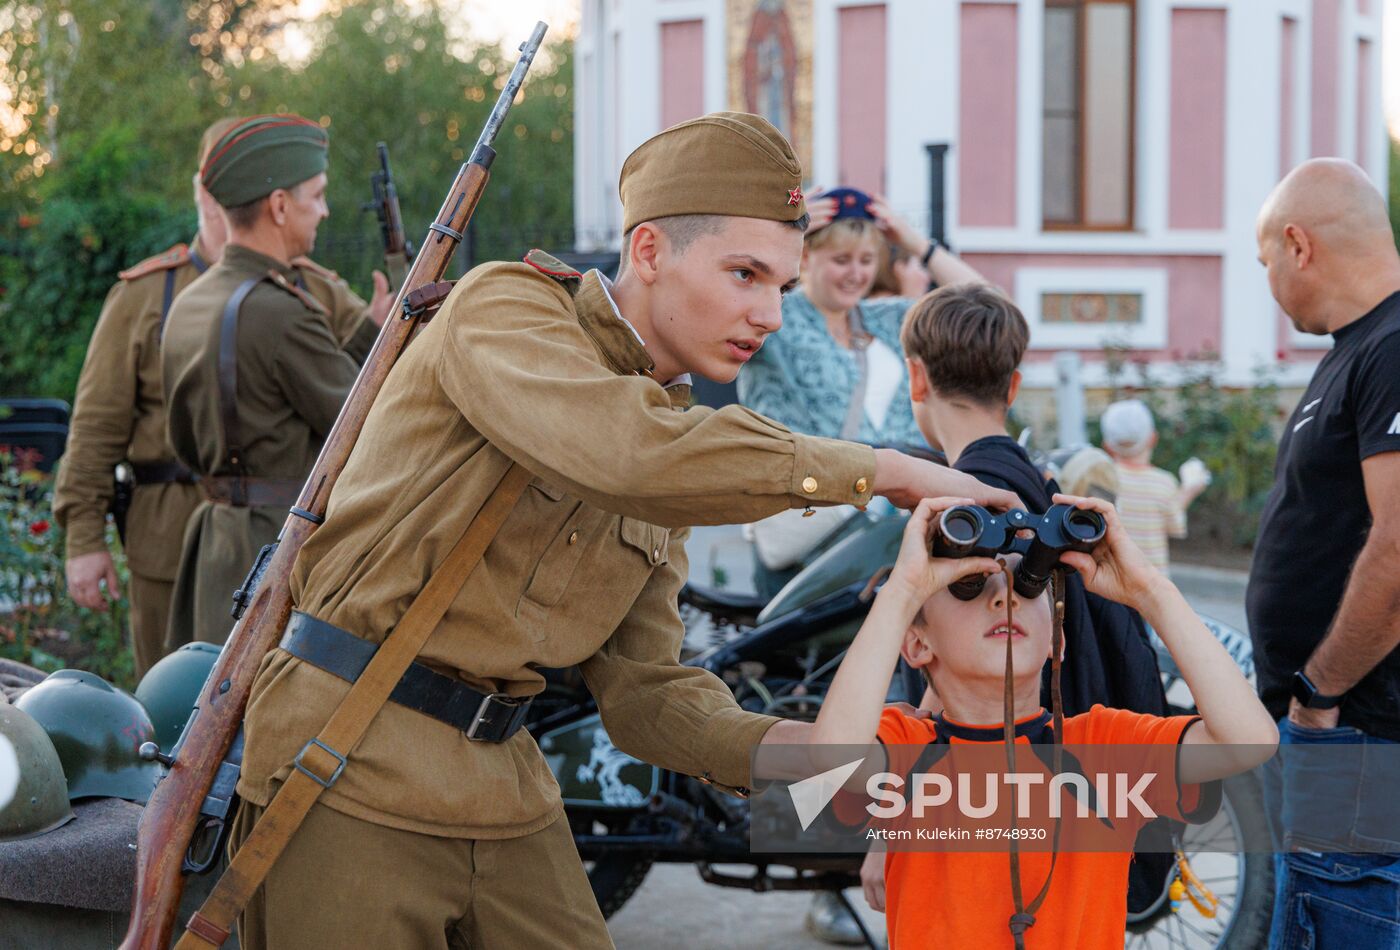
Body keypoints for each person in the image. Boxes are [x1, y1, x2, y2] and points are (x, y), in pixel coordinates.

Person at [220, 112, 1019, 949]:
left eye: (783, 288)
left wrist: (824, 760)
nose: (771, 316)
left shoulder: (671, 439)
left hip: (503, 783)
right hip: (346, 759)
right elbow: (627, 452)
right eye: (744, 274)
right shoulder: (505, 310)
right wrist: (885, 471)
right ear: (648, 250)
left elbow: (648, 695)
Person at [786, 493, 1277, 949]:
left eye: (1029, 583)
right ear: (917, 644)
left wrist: (1151, 591)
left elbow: (1248, 740)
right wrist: (903, 591)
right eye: (968, 586)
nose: (1006, 598)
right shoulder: (907, 748)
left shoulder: (1104, 748)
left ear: (1056, 640)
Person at [851, 285, 1175, 919]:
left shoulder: (964, 511)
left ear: (917, 379)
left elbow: (958, 666)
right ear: (1015, 386)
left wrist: (886, 828)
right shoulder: (1042, 485)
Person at [52, 117, 388, 676]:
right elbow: (95, 427)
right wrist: (83, 537)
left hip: (255, 536)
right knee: (175, 695)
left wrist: (375, 330)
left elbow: (342, 381)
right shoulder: (148, 294)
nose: (324, 210)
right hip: (172, 543)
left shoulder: (307, 285)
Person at [161, 115, 390, 647]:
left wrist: (369, 333)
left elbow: (214, 423)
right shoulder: (280, 311)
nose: (325, 210)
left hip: (215, 545)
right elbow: (364, 424)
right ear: (280, 205)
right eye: (318, 195)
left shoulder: (191, 301)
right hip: (278, 556)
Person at [1249, 157, 1400, 948]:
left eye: (1266, 260)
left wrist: (1318, 693)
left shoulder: (1393, 346)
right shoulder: (1360, 349)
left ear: (1298, 245)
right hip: (1335, 734)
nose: (1270, 283)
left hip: (1356, 735)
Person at [737, 186, 981, 448]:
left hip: (913, 471)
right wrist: (777, 235)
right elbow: (722, 294)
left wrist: (916, 244)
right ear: (805, 256)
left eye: (866, 260)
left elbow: (985, 307)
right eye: (841, 260)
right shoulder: (775, 313)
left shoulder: (889, 318)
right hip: (808, 472)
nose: (855, 274)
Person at [1099, 398, 1208, 574]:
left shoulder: (1102, 479)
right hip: (1153, 583)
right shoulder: (1163, 482)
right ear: (1153, 438)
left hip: (1112, 580)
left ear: (1107, 446)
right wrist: (1189, 491)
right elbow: (1173, 524)